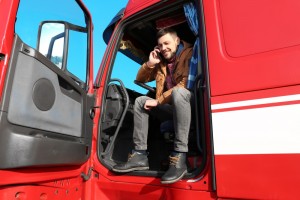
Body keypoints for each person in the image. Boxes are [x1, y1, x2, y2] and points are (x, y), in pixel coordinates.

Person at [112, 27, 193, 184]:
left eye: (166, 43)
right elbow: (140, 78)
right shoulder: (161, 62)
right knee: (141, 101)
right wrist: (150, 63)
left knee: (179, 93)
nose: (163, 48)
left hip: (190, 104)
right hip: (171, 107)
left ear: (177, 41)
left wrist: (159, 100)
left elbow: (184, 85)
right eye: (160, 45)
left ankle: (179, 156)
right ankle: (139, 155)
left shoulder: (189, 53)